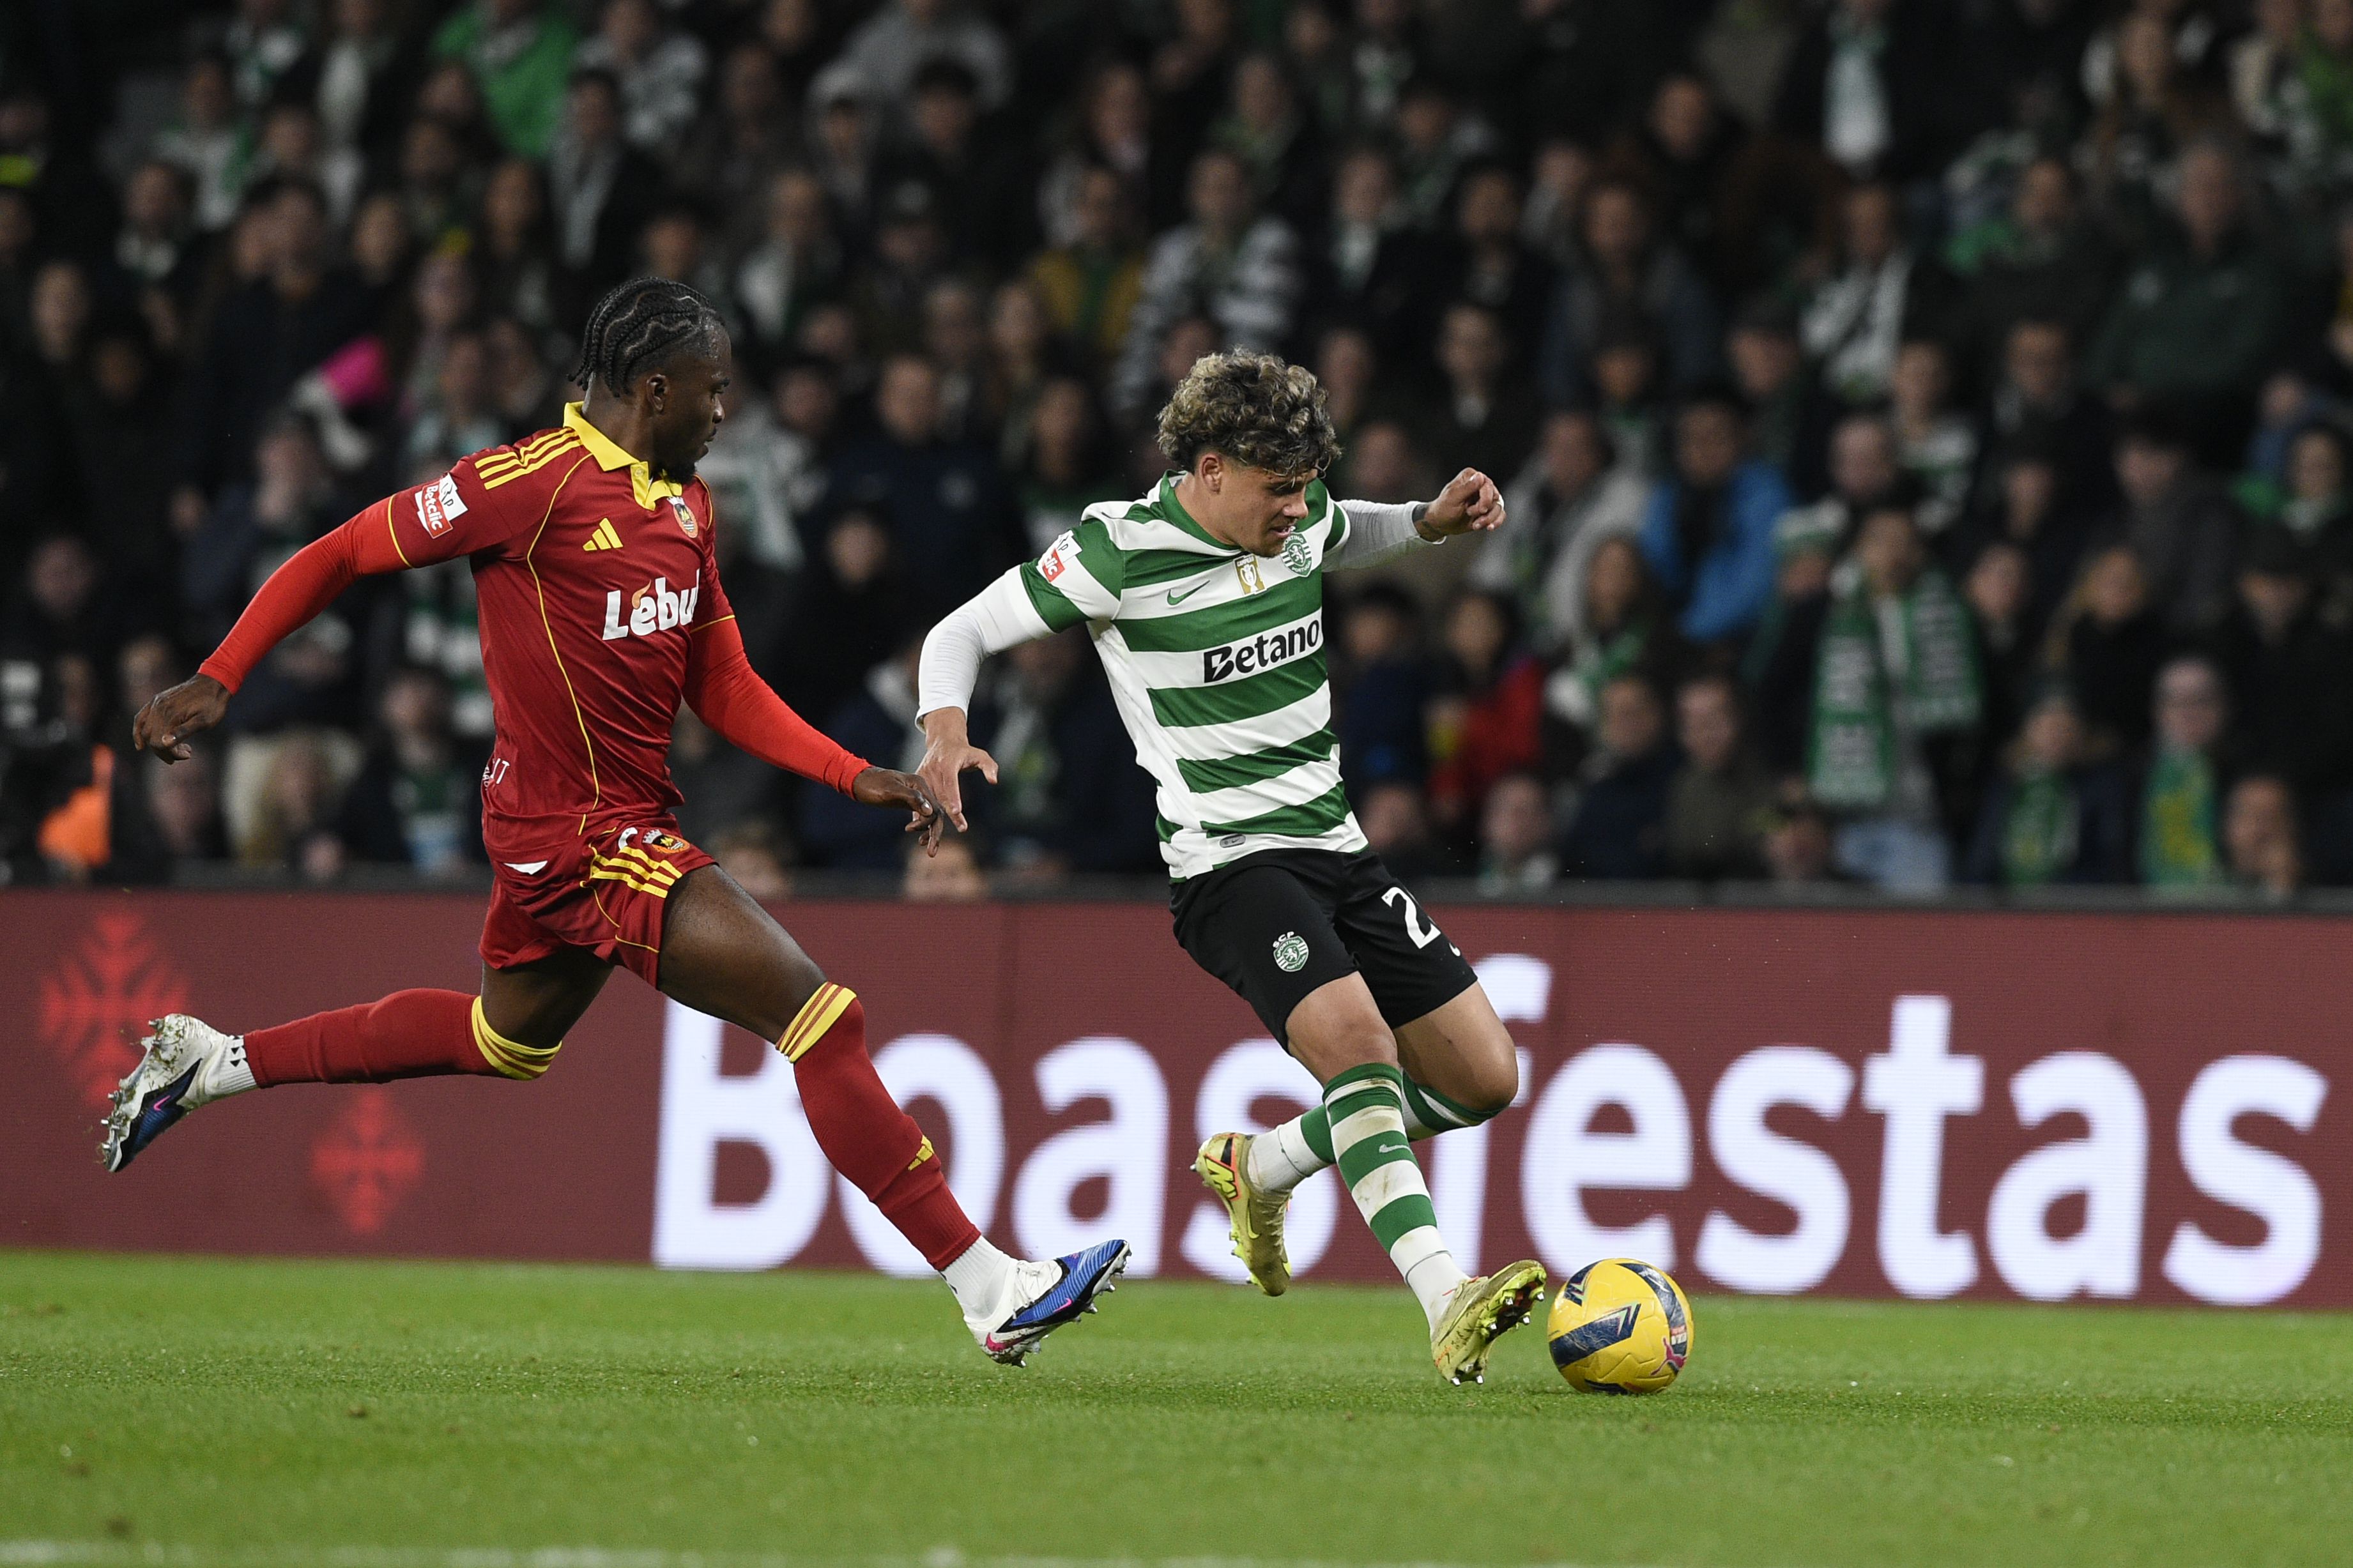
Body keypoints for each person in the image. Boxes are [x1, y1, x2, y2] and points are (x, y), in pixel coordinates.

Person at [107, 278, 1128, 1366]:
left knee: (502, 1039)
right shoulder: (529, 485)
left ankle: (213, 1063)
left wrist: (849, 774)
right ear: (654, 389)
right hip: (581, 835)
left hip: (600, 825)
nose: (726, 410)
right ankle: (990, 1286)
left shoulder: (689, 504)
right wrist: (220, 676)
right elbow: (344, 550)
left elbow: (721, 682)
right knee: (821, 1019)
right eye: (714, 390)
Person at [915, 350, 1544, 1384]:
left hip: (1336, 847)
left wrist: (1428, 518)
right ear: (1209, 470)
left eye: (1305, 488)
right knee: (1359, 1045)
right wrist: (946, 734)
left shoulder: (1295, 523)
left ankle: (1265, 1163)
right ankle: (1447, 1297)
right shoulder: (1119, 550)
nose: (1299, 510)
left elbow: (1358, 530)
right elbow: (963, 630)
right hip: (1229, 866)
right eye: (1278, 490)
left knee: (1485, 1079)